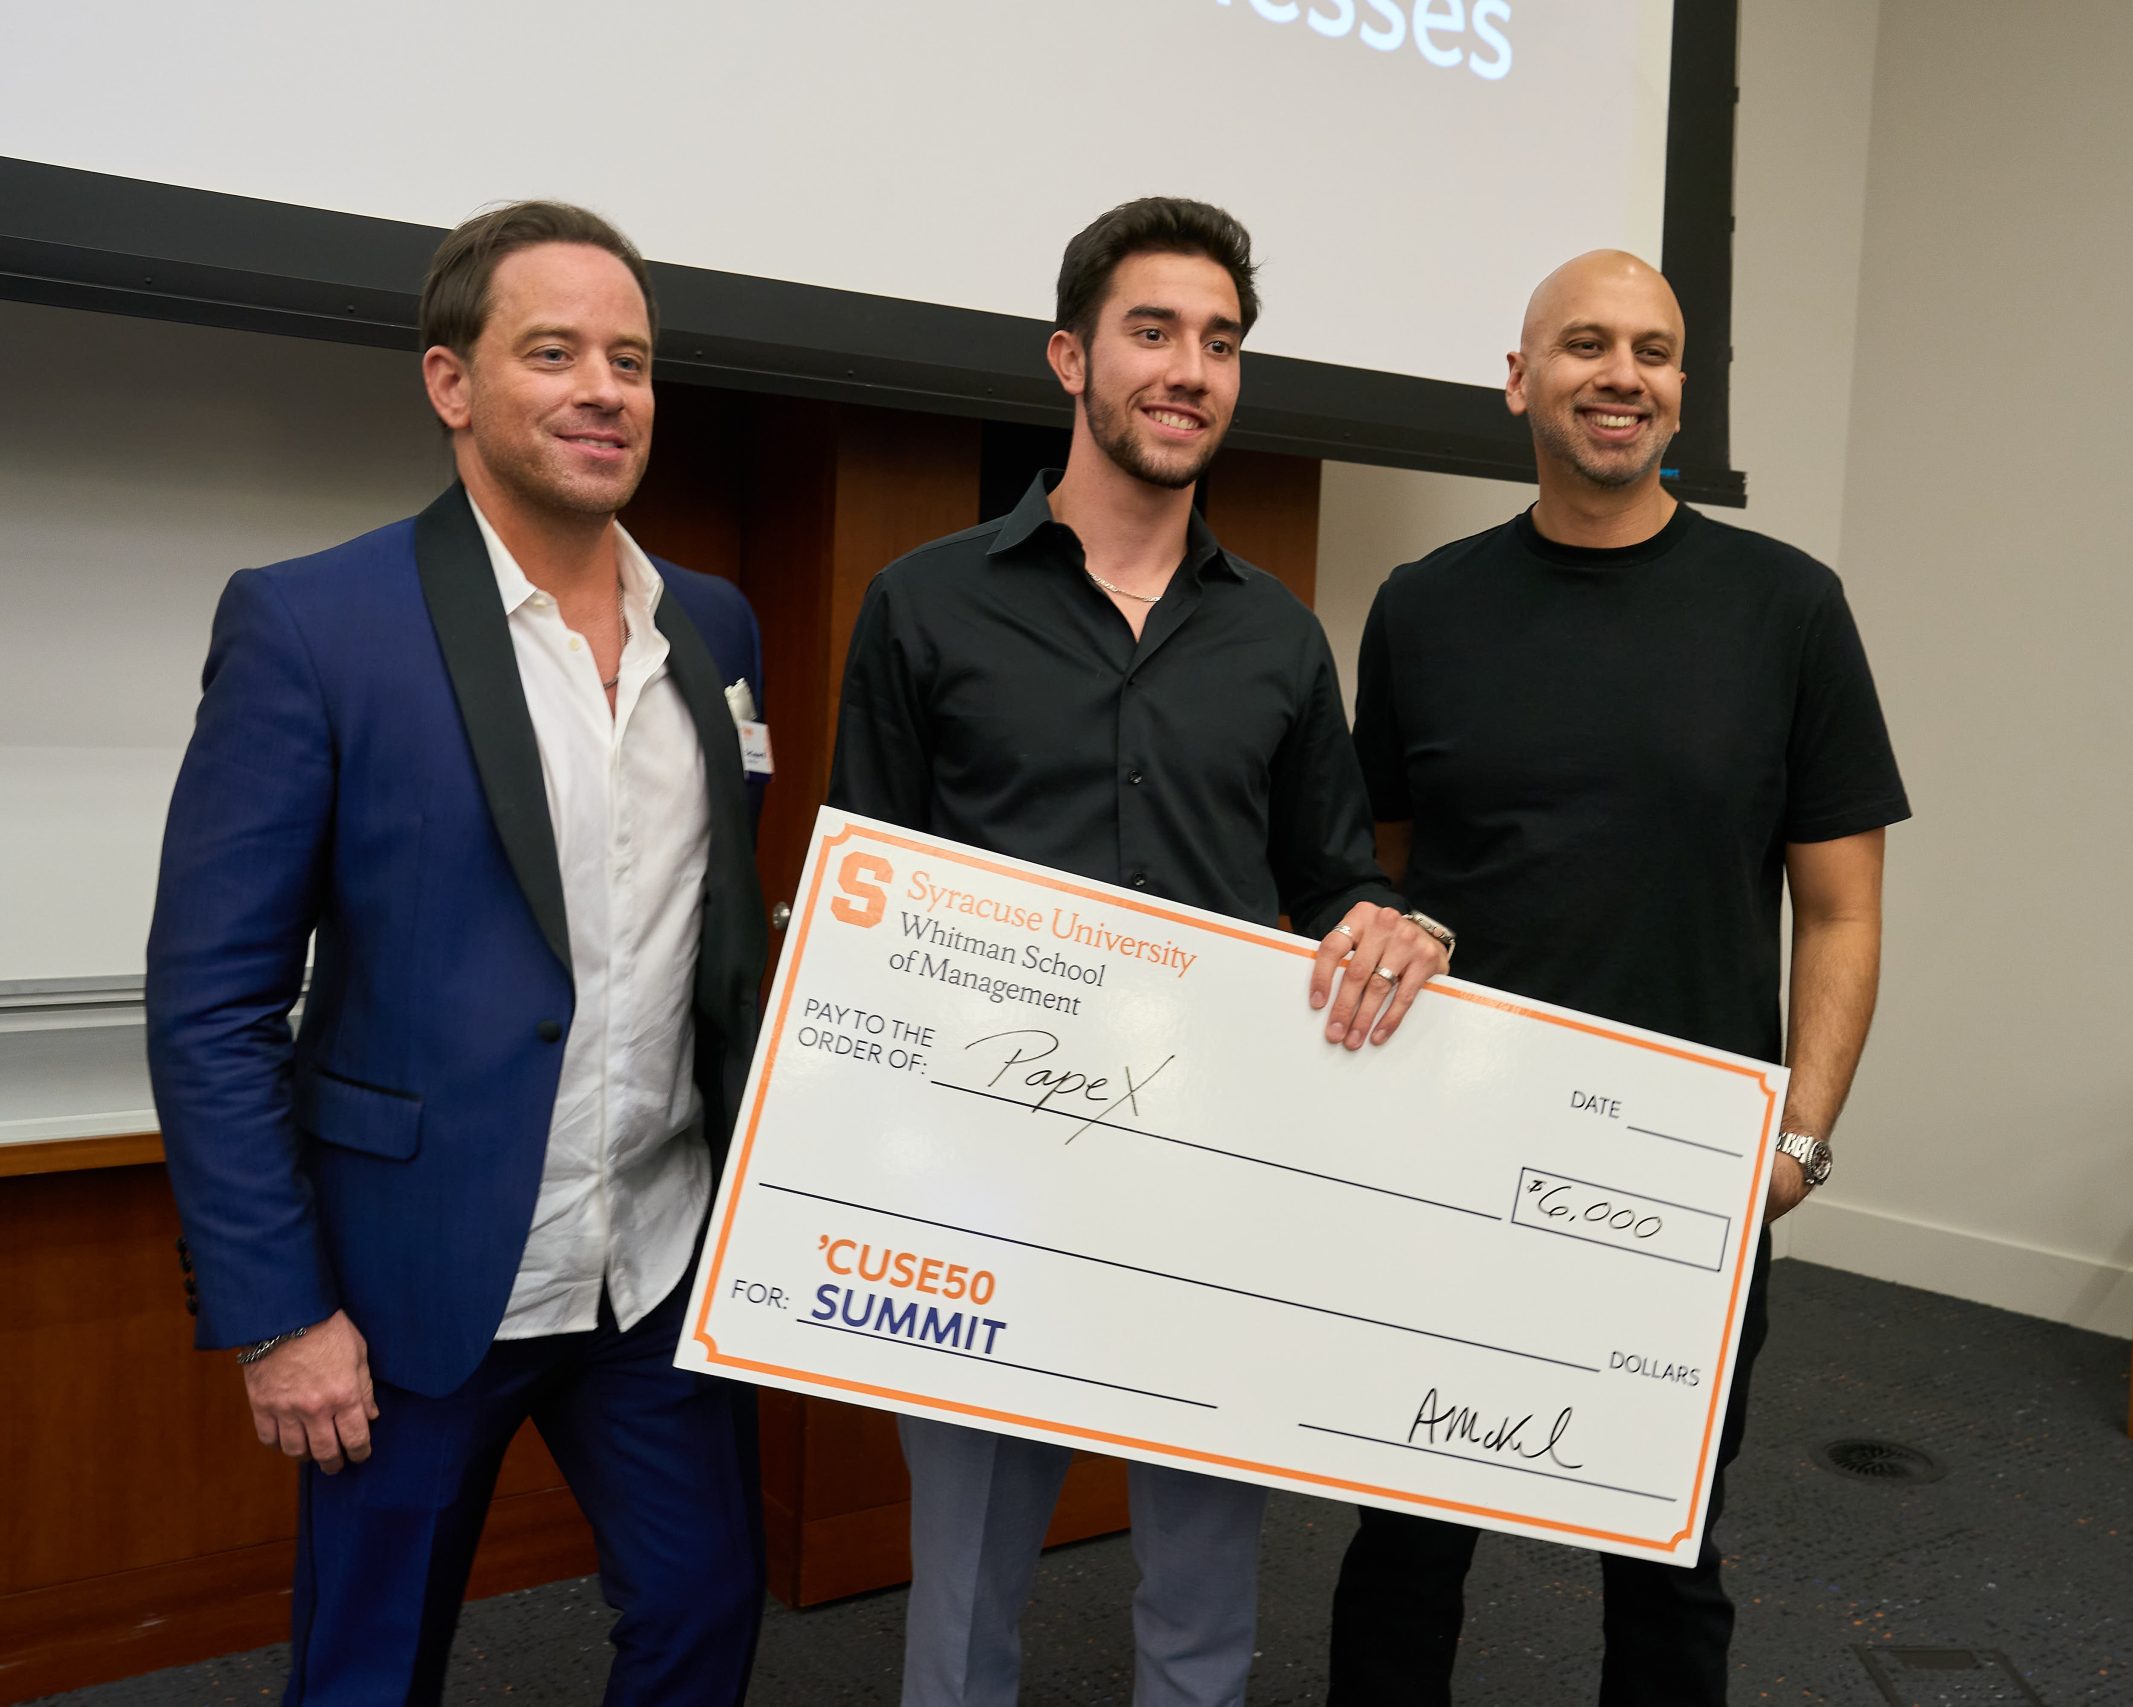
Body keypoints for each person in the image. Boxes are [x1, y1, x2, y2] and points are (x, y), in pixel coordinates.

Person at [828, 196, 1450, 1707]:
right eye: (1154, 331)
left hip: (1215, 1187)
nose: (1191, 369)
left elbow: (1327, 886)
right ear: (1070, 358)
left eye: (1221, 342)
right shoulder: (926, 606)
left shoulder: (1279, 639)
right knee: (962, 1601)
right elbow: (867, 902)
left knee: (1202, 1601)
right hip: (982, 1185)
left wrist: (1392, 924)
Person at [146, 200, 771, 1704]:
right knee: (371, 1670)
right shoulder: (312, 626)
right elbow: (214, 1001)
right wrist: (280, 1315)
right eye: (552, 352)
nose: (604, 390)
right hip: (415, 1287)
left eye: (630, 358)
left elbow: (707, 937)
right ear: (451, 383)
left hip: (658, 1266)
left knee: (704, 1616)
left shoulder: (716, 626)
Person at [1324, 250, 1910, 1706]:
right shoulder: (1422, 607)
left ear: (1681, 394)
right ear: (1518, 380)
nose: (1623, 374)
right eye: (1586, 344)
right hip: (1449, 1155)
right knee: (1403, 1534)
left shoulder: (1789, 608)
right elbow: (1383, 877)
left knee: (1663, 1551)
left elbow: (1841, 912)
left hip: (1683, 1173)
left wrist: (1802, 1142)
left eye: (1654, 351)